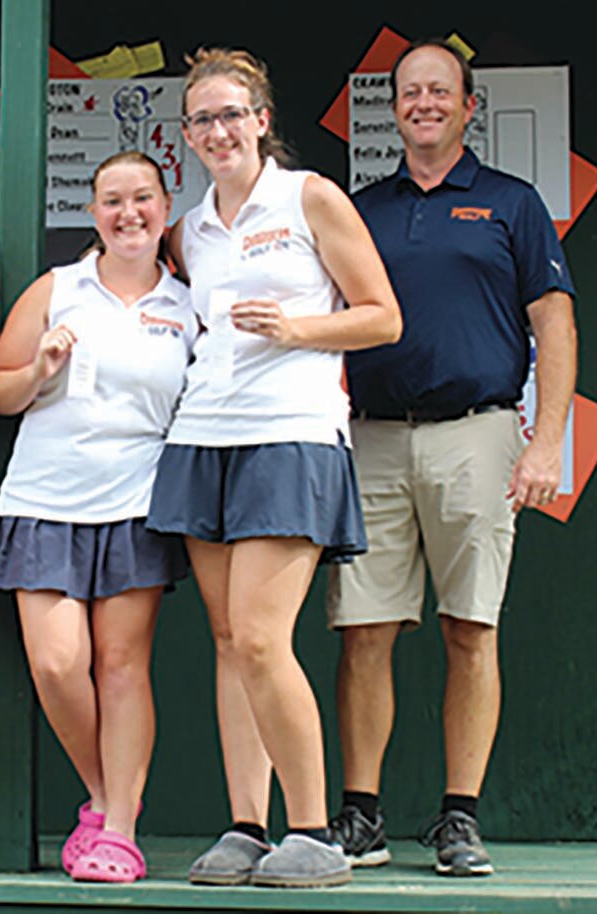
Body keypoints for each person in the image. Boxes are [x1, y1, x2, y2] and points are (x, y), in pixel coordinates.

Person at [145, 47, 402, 888]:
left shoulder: (310, 196)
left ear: (261, 121)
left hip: (291, 433)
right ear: (187, 134)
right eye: (202, 119)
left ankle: (317, 834)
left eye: (232, 114)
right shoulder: (189, 227)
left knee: (262, 636)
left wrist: (296, 330)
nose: (218, 131)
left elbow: (381, 317)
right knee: (228, 642)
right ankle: (247, 827)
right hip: (203, 435)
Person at [326, 38, 576, 878]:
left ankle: (458, 819)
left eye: (441, 91)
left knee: (471, 627)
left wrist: (545, 441)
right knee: (364, 630)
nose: (424, 103)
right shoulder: (363, 208)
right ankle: (360, 817)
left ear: (470, 106)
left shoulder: (512, 202)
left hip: (479, 430)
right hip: (372, 435)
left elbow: (555, 325)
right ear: (393, 108)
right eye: (408, 92)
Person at [0, 151, 195, 884]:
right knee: (56, 662)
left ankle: (121, 833)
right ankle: (104, 798)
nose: (128, 213)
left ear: (165, 208)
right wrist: (39, 368)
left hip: (137, 503)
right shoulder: (58, 287)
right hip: (44, 499)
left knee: (123, 666)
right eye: (112, 200)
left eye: (142, 198)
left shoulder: (187, 305)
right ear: (93, 211)